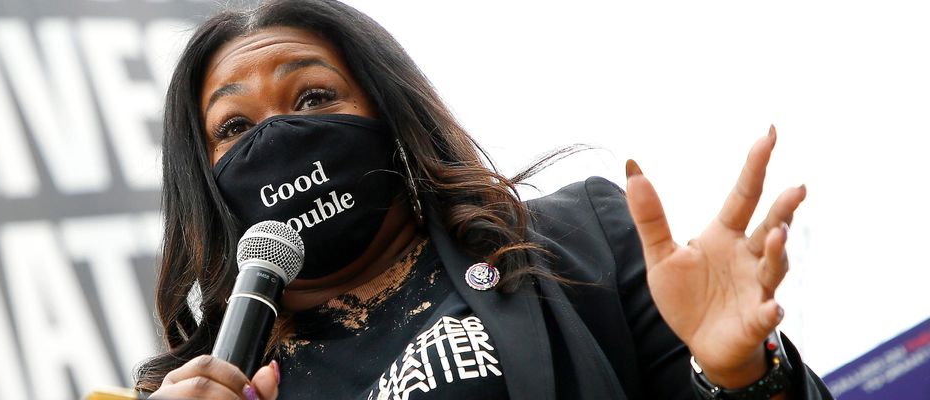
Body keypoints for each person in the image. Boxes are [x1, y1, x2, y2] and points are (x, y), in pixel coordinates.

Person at [135, 1, 833, 399]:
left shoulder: (577, 245)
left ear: (387, 114)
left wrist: (743, 372)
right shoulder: (206, 390)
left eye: (315, 96)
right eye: (234, 128)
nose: (281, 136)